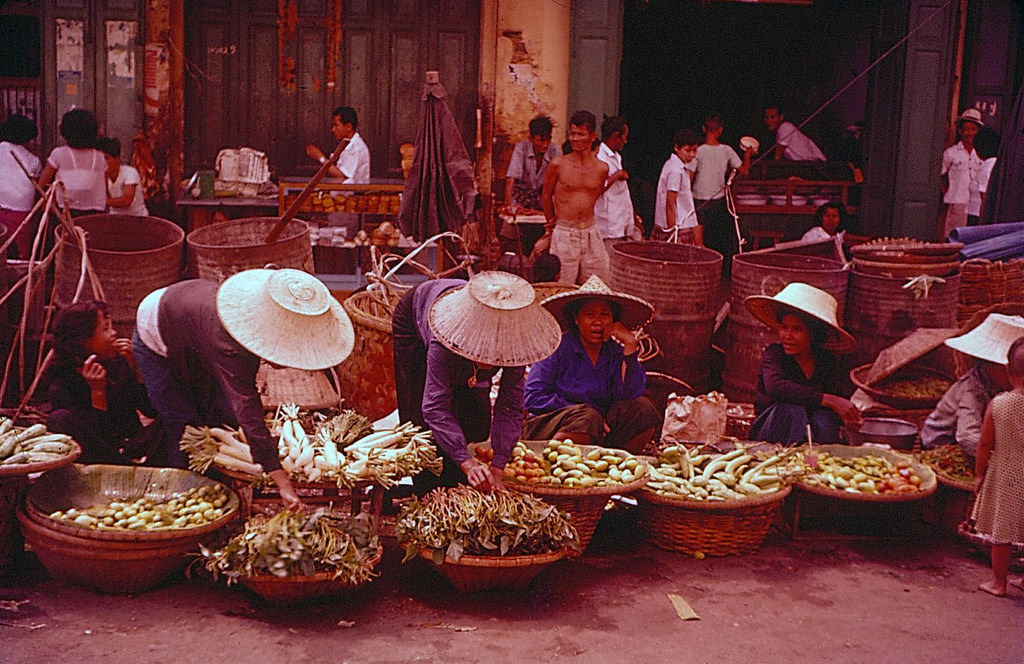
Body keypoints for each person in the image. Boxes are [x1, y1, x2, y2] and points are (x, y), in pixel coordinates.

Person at [132, 268, 355, 510]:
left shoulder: (252, 327)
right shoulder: (230, 345)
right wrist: (282, 482)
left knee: (219, 416)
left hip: (191, 322)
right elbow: (248, 410)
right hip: (155, 332)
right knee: (185, 428)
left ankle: (219, 492)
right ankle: (180, 502)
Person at [392, 271, 561, 492]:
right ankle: (429, 488)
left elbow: (509, 407)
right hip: (417, 315)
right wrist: (467, 463)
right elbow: (434, 407)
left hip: (482, 313)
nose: (489, 362)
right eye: (484, 355)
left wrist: (499, 464)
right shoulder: (443, 339)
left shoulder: (515, 345)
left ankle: (460, 473)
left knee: (477, 421)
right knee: (422, 424)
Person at [523, 275, 660, 454]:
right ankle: (553, 460)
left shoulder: (614, 352)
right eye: (589, 314)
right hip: (555, 427)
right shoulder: (557, 349)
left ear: (613, 320)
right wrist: (582, 411)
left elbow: (631, 394)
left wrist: (630, 346)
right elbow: (533, 398)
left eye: (604, 314)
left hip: (600, 430)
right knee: (588, 418)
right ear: (576, 319)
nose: (597, 321)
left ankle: (617, 465)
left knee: (644, 409)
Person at [745, 282, 861, 444]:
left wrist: (846, 415)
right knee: (791, 410)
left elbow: (834, 397)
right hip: (772, 430)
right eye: (784, 328)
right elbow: (776, 387)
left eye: (797, 329)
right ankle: (795, 459)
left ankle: (817, 460)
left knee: (825, 419)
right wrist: (829, 399)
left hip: (811, 429)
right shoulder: (774, 354)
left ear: (813, 334)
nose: (787, 336)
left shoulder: (826, 360)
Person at [47, 301, 160, 465]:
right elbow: (100, 440)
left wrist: (138, 370)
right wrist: (97, 393)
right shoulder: (62, 385)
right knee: (58, 419)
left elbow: (151, 411)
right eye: (105, 328)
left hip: (136, 446)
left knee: (173, 414)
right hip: (103, 457)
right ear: (83, 342)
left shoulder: (118, 363)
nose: (114, 333)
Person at [922, 313, 1024, 458]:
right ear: (991, 364)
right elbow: (966, 436)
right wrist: (1005, 456)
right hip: (943, 444)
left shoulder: (1009, 387)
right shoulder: (972, 388)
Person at [971, 336, 1024, 597]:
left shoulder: (999, 405)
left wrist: (980, 474)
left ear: (1007, 369)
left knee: (1002, 534)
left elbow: (984, 444)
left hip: (1007, 476)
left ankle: (999, 583)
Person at [532, 110, 610, 285]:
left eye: (580, 134)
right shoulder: (558, 165)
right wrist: (551, 224)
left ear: (592, 136)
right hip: (565, 232)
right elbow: (546, 196)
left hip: (591, 231)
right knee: (562, 287)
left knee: (597, 285)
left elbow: (594, 195)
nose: (575, 139)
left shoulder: (602, 168)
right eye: (572, 133)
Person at [694, 114, 751, 266]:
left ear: (704, 129)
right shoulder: (727, 150)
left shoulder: (697, 151)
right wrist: (748, 154)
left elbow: (689, 177)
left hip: (698, 198)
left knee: (698, 238)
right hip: (718, 200)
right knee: (712, 238)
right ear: (720, 130)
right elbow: (744, 171)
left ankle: (703, 265)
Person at [38, 109, 108, 216]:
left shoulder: (59, 154)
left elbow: (41, 183)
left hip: (63, 213)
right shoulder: (100, 157)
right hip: (93, 213)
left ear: (65, 131)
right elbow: (105, 187)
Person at [593, 116, 642, 256]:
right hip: (608, 225)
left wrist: (632, 218)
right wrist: (617, 175)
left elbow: (623, 194)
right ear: (615, 136)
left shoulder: (616, 157)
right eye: (624, 137)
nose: (625, 142)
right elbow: (597, 188)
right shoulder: (599, 157)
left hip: (620, 221)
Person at [0, 114, 41, 258]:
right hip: (23, 212)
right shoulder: (34, 161)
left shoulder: (1, 148)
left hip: (1, 207)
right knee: (20, 252)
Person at [653, 128, 702, 245]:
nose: (692, 155)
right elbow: (670, 204)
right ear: (676, 148)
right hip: (677, 227)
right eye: (687, 150)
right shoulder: (675, 170)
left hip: (681, 224)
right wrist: (673, 234)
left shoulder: (676, 166)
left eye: (694, 151)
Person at [940, 108, 984, 237]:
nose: (969, 133)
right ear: (960, 131)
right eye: (966, 129)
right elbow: (941, 176)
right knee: (954, 237)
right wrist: (949, 194)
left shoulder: (982, 154)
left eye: (973, 129)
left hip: (975, 206)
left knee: (972, 239)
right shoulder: (951, 153)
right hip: (957, 202)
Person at [503, 115, 559, 213]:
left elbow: (559, 183)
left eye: (548, 139)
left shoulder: (555, 151)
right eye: (541, 140)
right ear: (531, 138)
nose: (545, 144)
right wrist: (508, 206)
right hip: (522, 199)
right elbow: (511, 178)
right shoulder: (521, 148)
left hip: (543, 199)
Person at [305, 106, 371, 184]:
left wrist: (320, 157)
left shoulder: (356, 147)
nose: (333, 129)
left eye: (336, 125)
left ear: (348, 127)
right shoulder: (347, 144)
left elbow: (341, 176)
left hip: (350, 195)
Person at [96, 136, 149, 217]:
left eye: (106, 158)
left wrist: (100, 201)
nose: (103, 162)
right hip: (115, 219)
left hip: (137, 219)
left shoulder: (130, 173)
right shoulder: (102, 177)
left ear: (117, 158)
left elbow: (126, 200)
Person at [967, 126, 999, 226]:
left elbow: (985, 199)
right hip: (974, 213)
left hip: (978, 217)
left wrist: (983, 224)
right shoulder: (990, 164)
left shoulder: (987, 168)